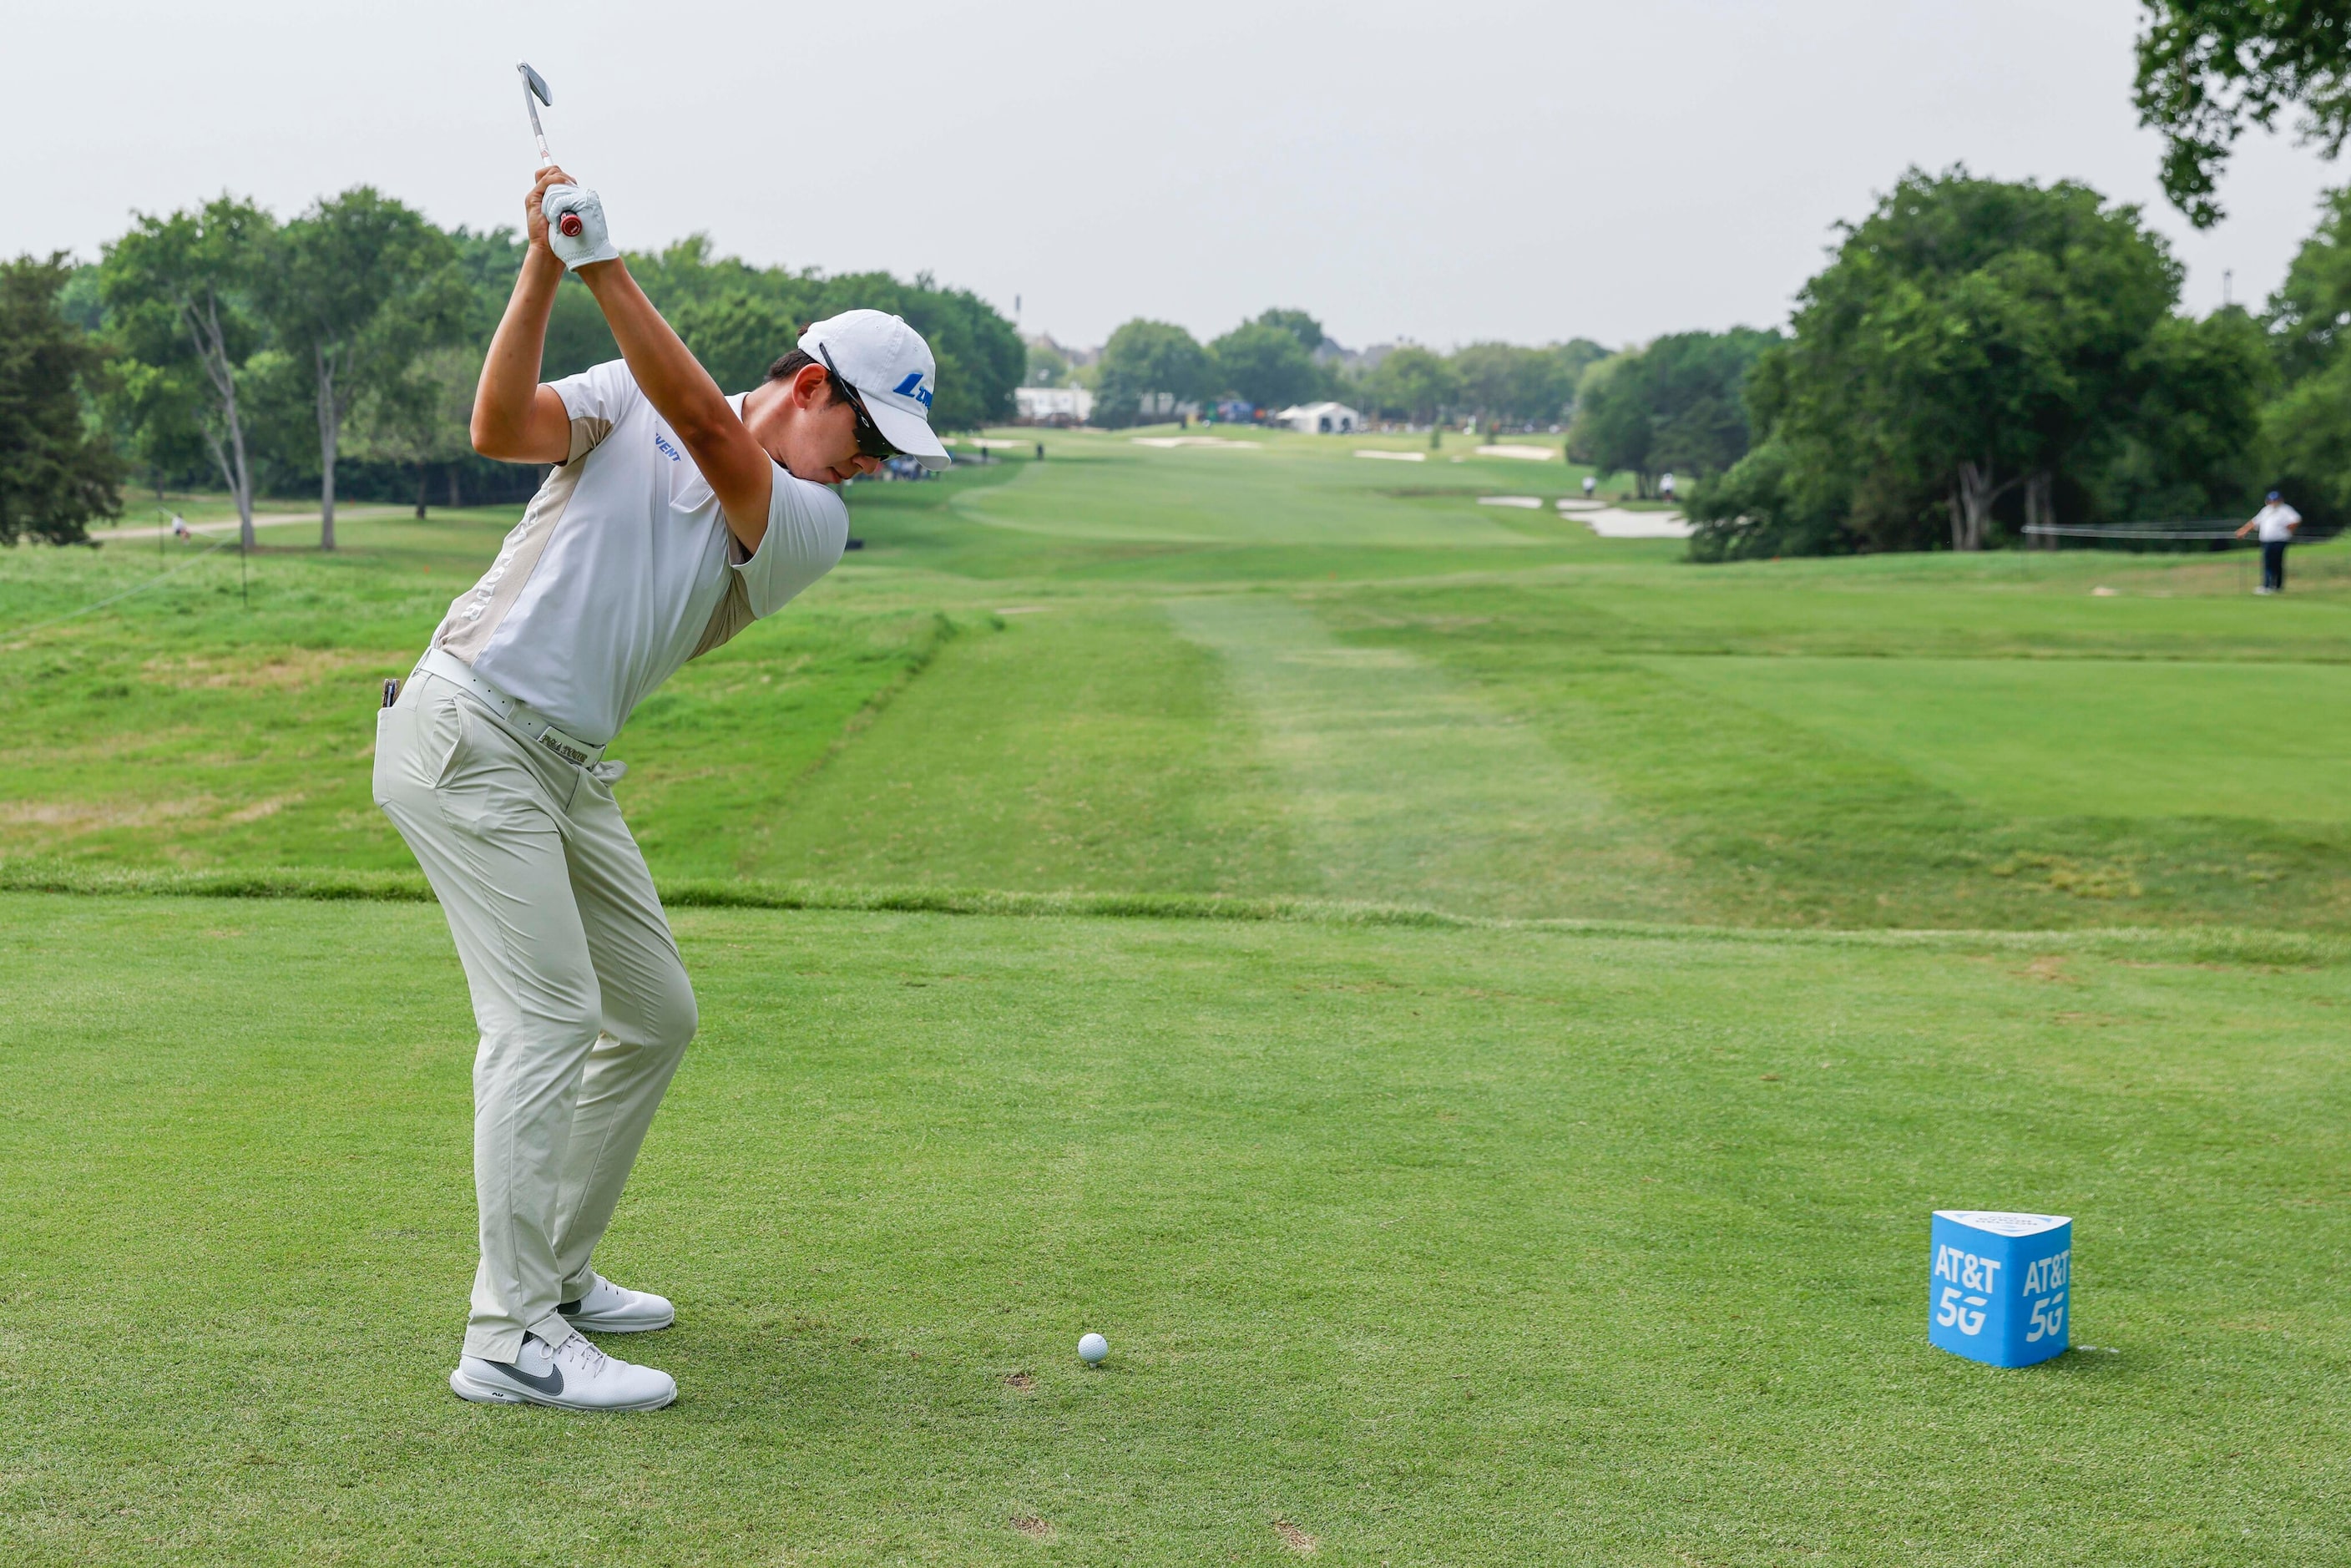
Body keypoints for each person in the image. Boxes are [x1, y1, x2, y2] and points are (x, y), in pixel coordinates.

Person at [372, 164, 949, 1413]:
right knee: (545, 1018)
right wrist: (544, 261)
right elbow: (499, 426)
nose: (875, 471)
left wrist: (602, 264)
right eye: (873, 438)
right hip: (471, 728)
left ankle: (556, 1272)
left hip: (560, 766)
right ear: (812, 388)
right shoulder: (627, 391)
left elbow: (705, 429)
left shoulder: (804, 518)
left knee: (656, 1011)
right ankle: (510, 1331)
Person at [2236, 490, 2301, 594]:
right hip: (2267, 541)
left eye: (2275, 500)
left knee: (2276, 563)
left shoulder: (2285, 510)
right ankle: (2267, 585)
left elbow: (2295, 520)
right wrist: (2244, 530)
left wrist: (2289, 530)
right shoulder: (2266, 511)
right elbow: (2255, 522)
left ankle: (2275, 586)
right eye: (2271, 501)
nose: (2273, 503)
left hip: (2280, 540)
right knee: (2268, 562)